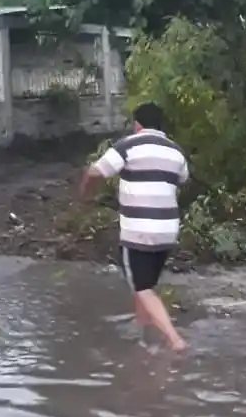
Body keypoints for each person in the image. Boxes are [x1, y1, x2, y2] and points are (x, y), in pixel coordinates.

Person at [80, 102, 189, 352]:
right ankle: (142, 329)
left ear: (137, 124)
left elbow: (96, 172)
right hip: (167, 229)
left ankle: (174, 340)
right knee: (147, 285)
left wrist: (85, 191)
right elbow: (182, 179)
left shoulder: (128, 145)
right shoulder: (176, 151)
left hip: (138, 230)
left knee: (141, 287)